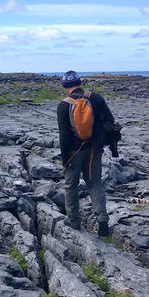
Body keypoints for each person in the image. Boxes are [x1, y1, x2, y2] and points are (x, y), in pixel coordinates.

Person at [57, 70, 115, 237]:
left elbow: (64, 135)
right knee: (94, 183)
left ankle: (74, 222)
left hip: (75, 151)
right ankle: (102, 219)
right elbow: (109, 121)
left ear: (65, 86)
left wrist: (64, 158)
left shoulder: (64, 105)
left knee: (70, 185)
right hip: (94, 150)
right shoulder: (95, 98)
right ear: (79, 82)